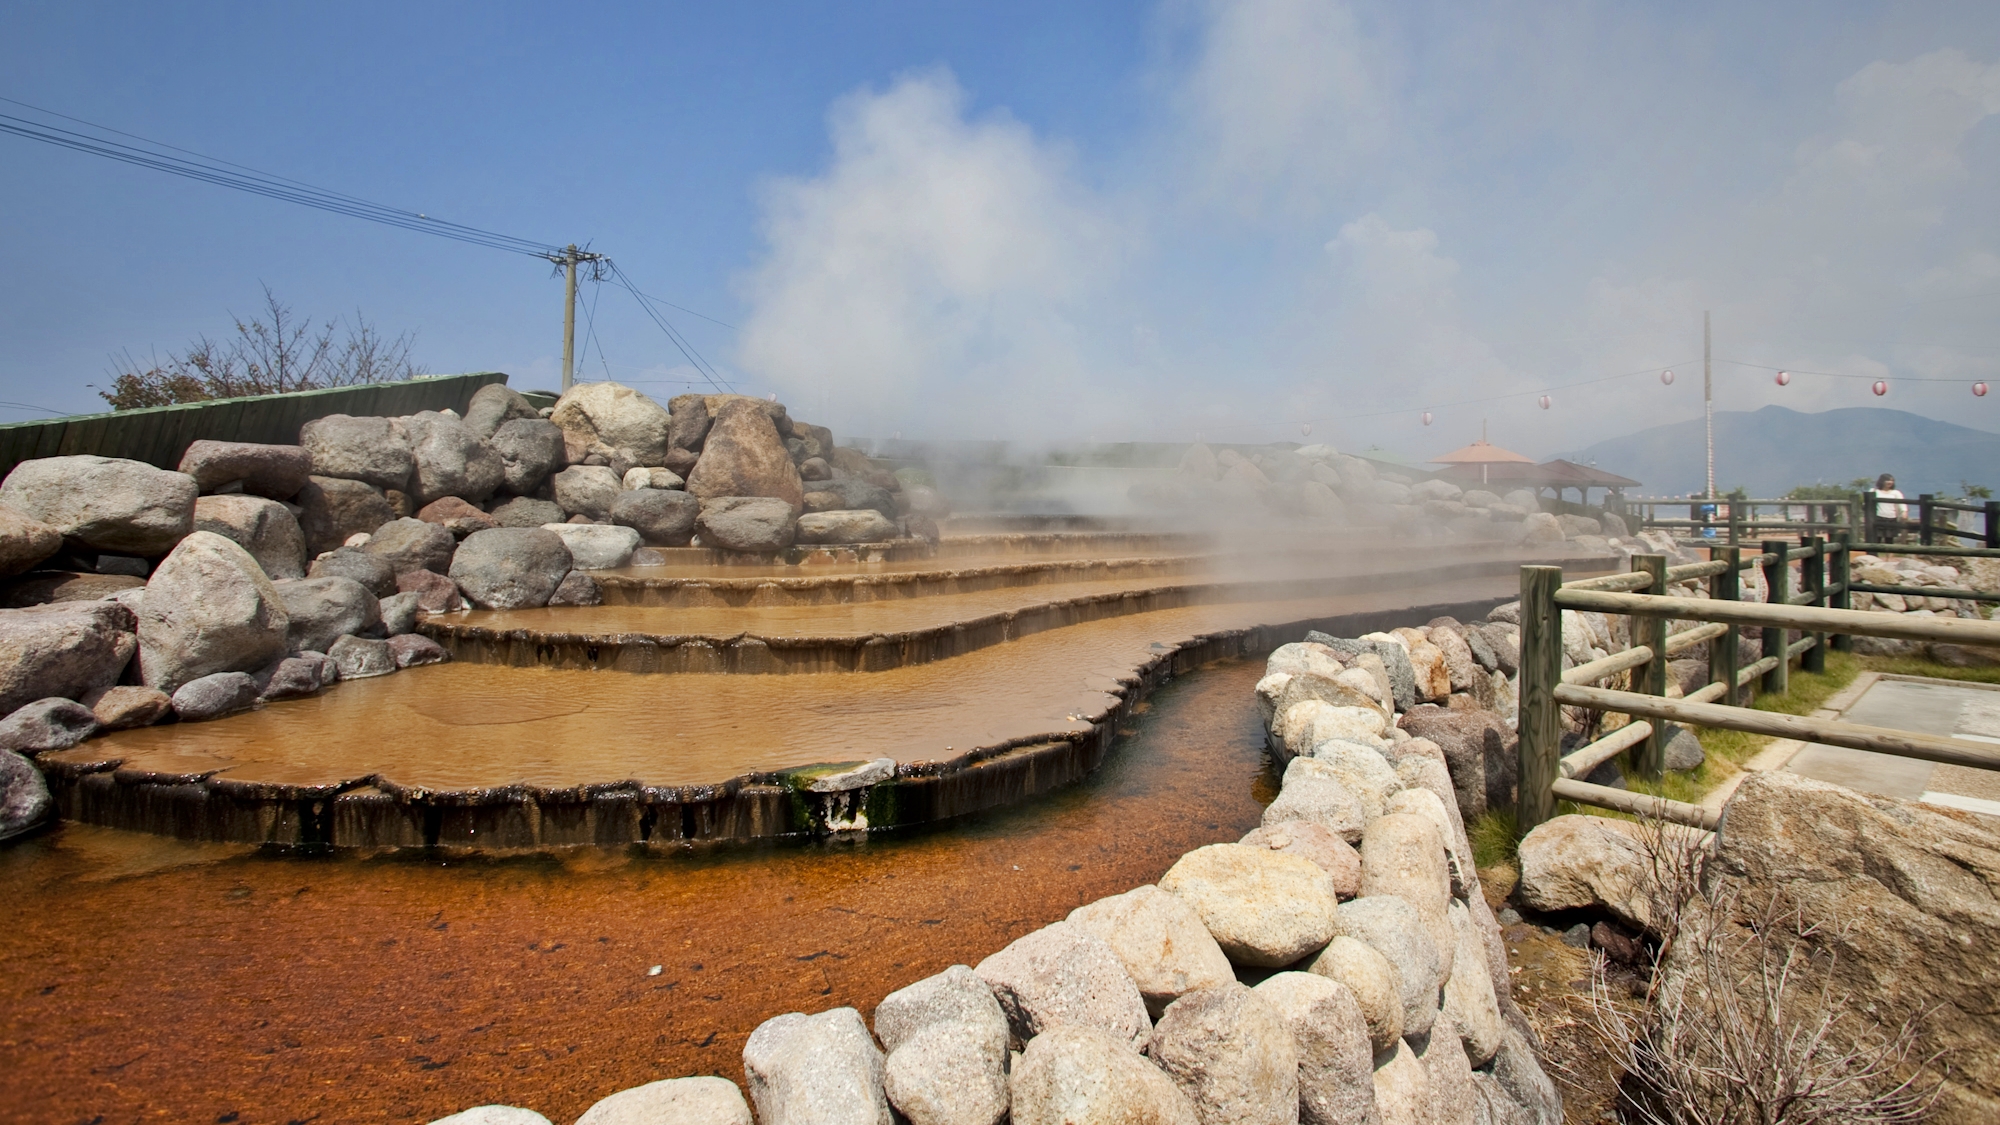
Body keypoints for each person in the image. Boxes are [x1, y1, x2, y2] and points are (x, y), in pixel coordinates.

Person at [1873, 473, 1907, 540]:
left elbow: (1902, 504)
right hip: (1878, 517)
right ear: (1882, 481)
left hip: (1891, 518)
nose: (1890, 482)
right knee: (1877, 538)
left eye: (1892, 481)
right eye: (1888, 480)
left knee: (1889, 538)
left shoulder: (1896, 493)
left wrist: (1904, 512)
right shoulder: (1875, 491)